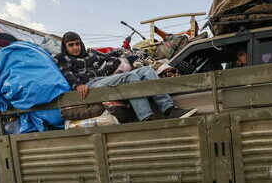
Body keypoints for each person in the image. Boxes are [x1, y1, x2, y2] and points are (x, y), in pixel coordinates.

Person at [54, 32, 196, 121]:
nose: (75, 47)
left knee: (147, 70)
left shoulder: (90, 53)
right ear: (65, 47)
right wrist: (78, 85)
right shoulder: (62, 58)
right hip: (92, 84)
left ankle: (169, 109)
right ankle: (146, 117)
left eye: (77, 44)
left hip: (105, 79)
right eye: (71, 45)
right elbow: (67, 73)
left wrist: (122, 51)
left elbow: (107, 55)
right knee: (130, 78)